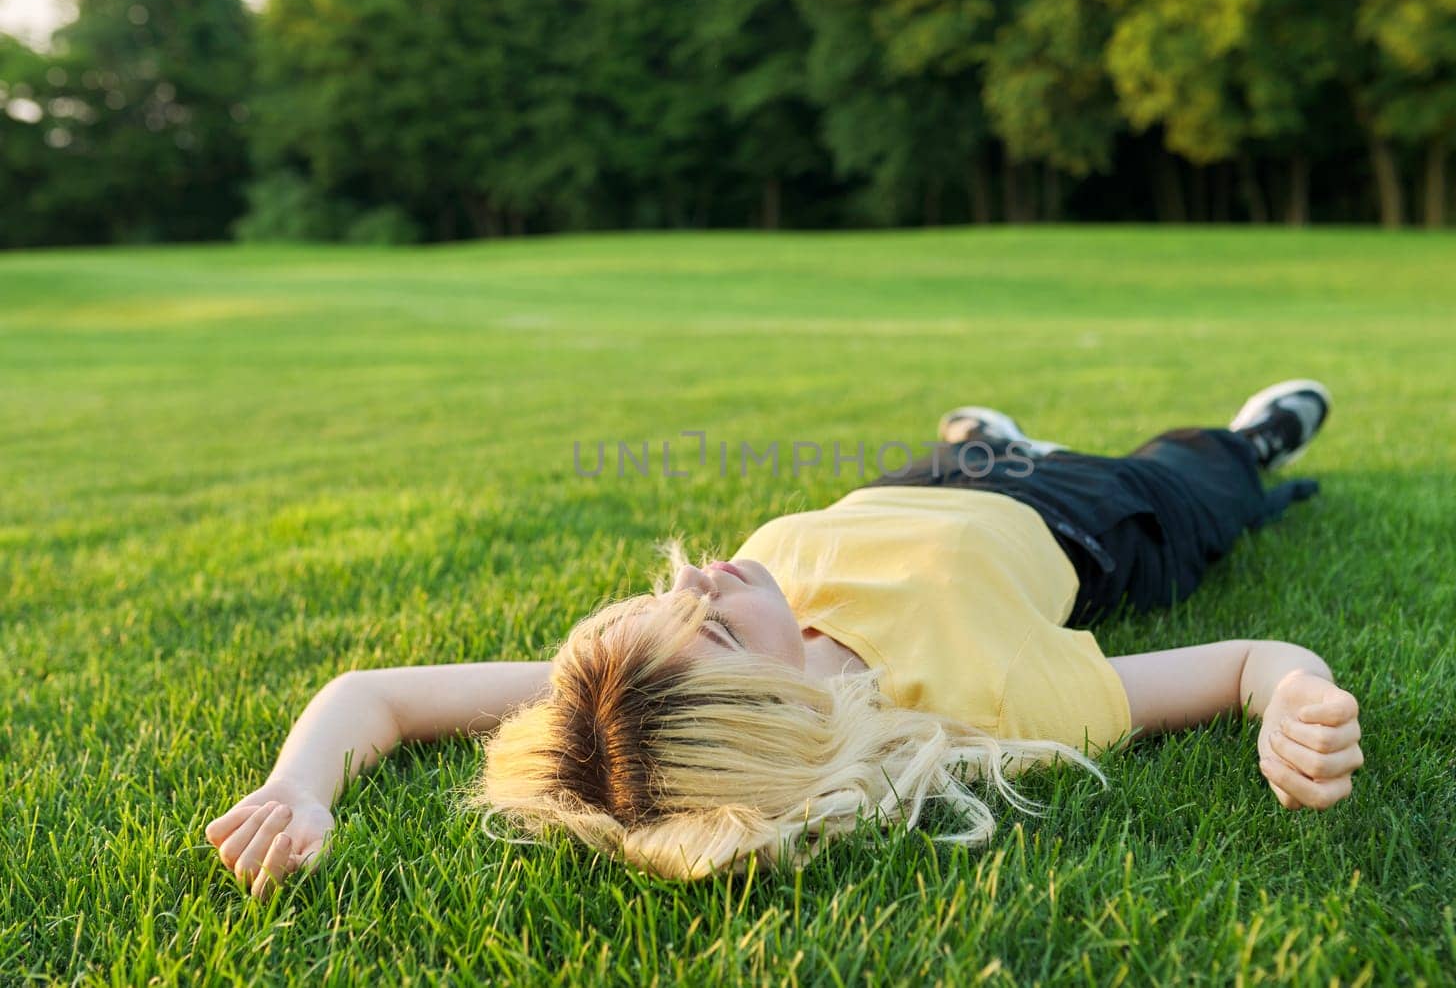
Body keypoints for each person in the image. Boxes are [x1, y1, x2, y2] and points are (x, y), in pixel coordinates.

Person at [206, 380, 1363, 896]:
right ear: (775, 699)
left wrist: (300, 786)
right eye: (711, 620)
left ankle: (981, 430)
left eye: (670, 602)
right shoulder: (990, 694)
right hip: (1085, 523)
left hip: (902, 492)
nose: (700, 575)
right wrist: (1298, 704)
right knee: (1196, 480)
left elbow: (380, 694)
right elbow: (1247, 664)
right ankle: (1256, 443)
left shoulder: (625, 690)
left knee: (972, 447)